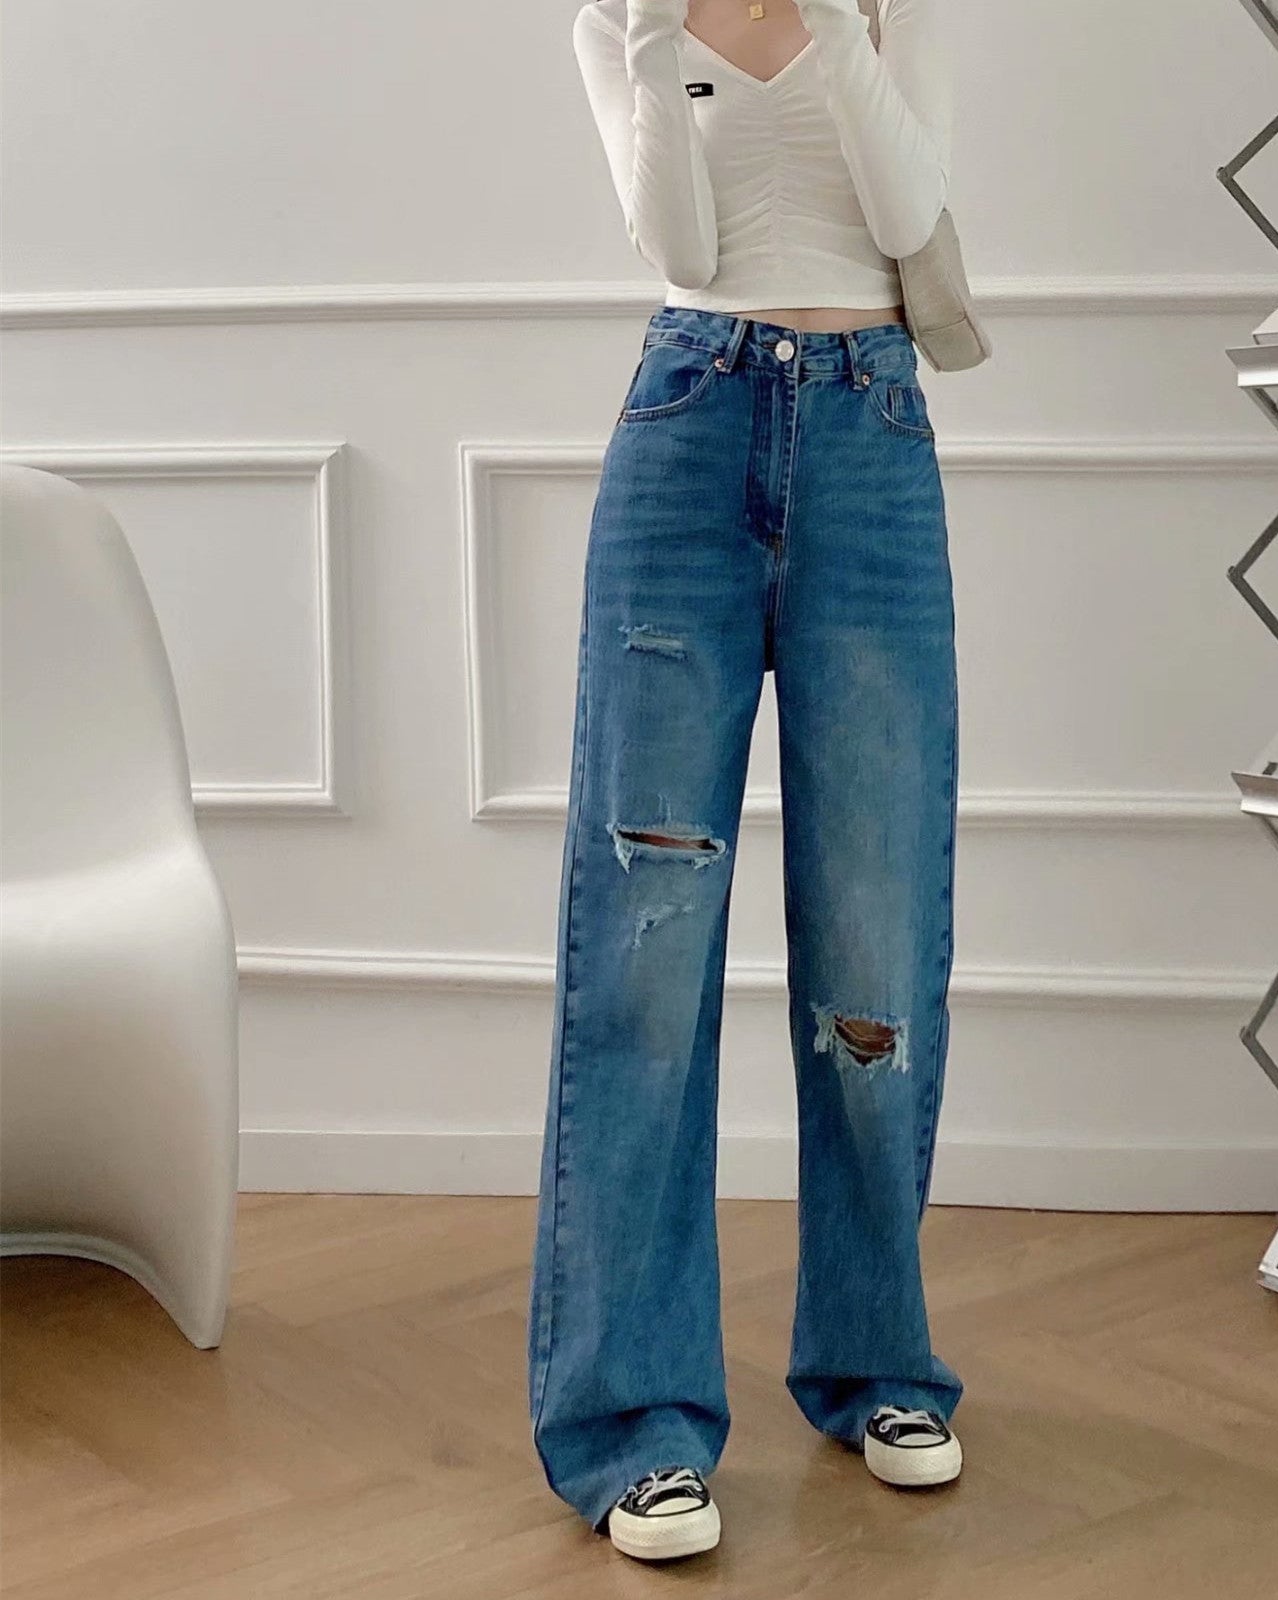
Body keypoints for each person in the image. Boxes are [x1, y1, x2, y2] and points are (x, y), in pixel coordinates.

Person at [528, 0, 964, 1561]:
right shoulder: (613, 20)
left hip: (870, 433)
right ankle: (633, 1422)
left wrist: (831, 21)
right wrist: (659, 37)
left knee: (875, 938)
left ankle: (876, 1362)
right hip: (688, 426)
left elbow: (907, 215)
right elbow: (684, 247)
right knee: (643, 963)